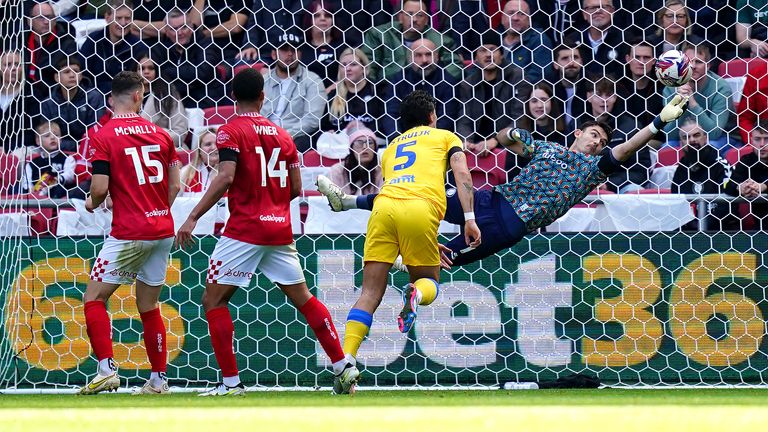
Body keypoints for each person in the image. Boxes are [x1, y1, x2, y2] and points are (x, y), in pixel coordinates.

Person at [318, 95, 689, 268]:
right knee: (411, 192)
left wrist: (658, 123)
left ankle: (411, 279)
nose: (599, 143)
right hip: (487, 200)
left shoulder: (592, 169)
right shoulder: (547, 148)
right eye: (594, 135)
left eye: (602, 142)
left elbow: (624, 151)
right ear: (578, 132)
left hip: (511, 224)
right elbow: (514, 135)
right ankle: (345, 202)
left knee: (443, 259)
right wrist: (502, 137)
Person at [175, 68, 351, 396]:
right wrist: (271, 206)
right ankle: (342, 364)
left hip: (244, 229)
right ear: (263, 96)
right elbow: (297, 187)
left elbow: (226, 177)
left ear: (232, 96)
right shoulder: (283, 135)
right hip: (280, 229)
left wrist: (193, 216)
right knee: (304, 299)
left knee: (213, 301)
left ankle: (230, 384)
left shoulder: (229, 131)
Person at [318, 90, 480, 395]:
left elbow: (399, 189)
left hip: (383, 210)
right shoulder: (445, 136)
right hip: (420, 209)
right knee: (428, 283)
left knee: (369, 292)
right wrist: (469, 217)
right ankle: (415, 294)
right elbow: (461, 172)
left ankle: (347, 361)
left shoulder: (391, 148)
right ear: (432, 117)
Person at [79, 71, 181, 395]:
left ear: (112, 99)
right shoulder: (163, 135)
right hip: (163, 228)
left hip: (130, 231)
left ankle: (106, 369)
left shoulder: (104, 135)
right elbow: (176, 184)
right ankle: (159, 381)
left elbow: (99, 188)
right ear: (139, 96)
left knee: (94, 297)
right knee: (148, 305)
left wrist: (92, 203)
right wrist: (156, 209)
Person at [260, 28, 326, 152]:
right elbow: (252, 115)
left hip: (294, 138)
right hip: (263, 137)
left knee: (303, 142)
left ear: (300, 54)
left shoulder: (312, 80)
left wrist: (284, 135)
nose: (290, 54)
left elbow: (312, 120)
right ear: (274, 55)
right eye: (285, 50)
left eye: (294, 49)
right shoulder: (262, 81)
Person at [322, 48, 385, 133]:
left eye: (353, 64)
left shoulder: (378, 90)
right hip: (342, 143)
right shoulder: (334, 95)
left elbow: (385, 121)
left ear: (364, 68)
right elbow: (324, 127)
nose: (348, 68)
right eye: (343, 65)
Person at [725, 120, 768, 231]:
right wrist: (741, 187)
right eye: (758, 139)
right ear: (751, 140)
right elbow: (729, 186)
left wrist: (763, 186)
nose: (762, 144)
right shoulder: (747, 161)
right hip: (761, 228)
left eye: (766, 139)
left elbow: (762, 186)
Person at [138, 55, 188, 148]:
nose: (146, 72)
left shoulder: (168, 95)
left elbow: (180, 132)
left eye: (151, 68)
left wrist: (151, 137)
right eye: (141, 68)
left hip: (164, 147)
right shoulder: (126, 97)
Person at [327, 127, 382, 195]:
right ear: (351, 148)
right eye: (360, 143)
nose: (365, 147)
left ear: (375, 149)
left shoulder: (382, 170)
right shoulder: (337, 171)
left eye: (370, 143)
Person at [179, 128, 219, 195]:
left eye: (217, 143)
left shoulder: (231, 172)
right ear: (199, 150)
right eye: (208, 144)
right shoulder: (185, 173)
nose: (213, 147)